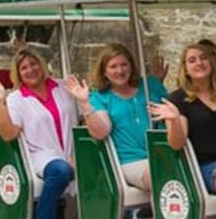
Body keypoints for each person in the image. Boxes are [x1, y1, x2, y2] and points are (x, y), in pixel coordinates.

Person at [150, 43, 216, 219]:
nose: (199, 63)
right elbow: (177, 143)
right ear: (185, 68)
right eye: (192, 60)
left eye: (203, 58)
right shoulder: (178, 99)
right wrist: (173, 119)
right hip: (207, 167)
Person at [0, 49, 77, 219]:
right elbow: (8, 133)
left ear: (42, 64)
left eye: (33, 64)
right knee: (61, 170)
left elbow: (80, 117)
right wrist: (1, 104)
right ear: (18, 73)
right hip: (41, 155)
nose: (30, 70)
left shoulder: (62, 87)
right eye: (24, 68)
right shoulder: (16, 99)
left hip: (70, 151)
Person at [65, 43, 168, 190]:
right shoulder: (100, 97)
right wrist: (84, 103)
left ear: (131, 66)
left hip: (162, 154)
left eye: (124, 65)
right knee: (159, 175)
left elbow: (171, 107)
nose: (120, 70)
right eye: (113, 67)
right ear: (104, 72)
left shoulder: (150, 85)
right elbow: (101, 132)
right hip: (131, 160)